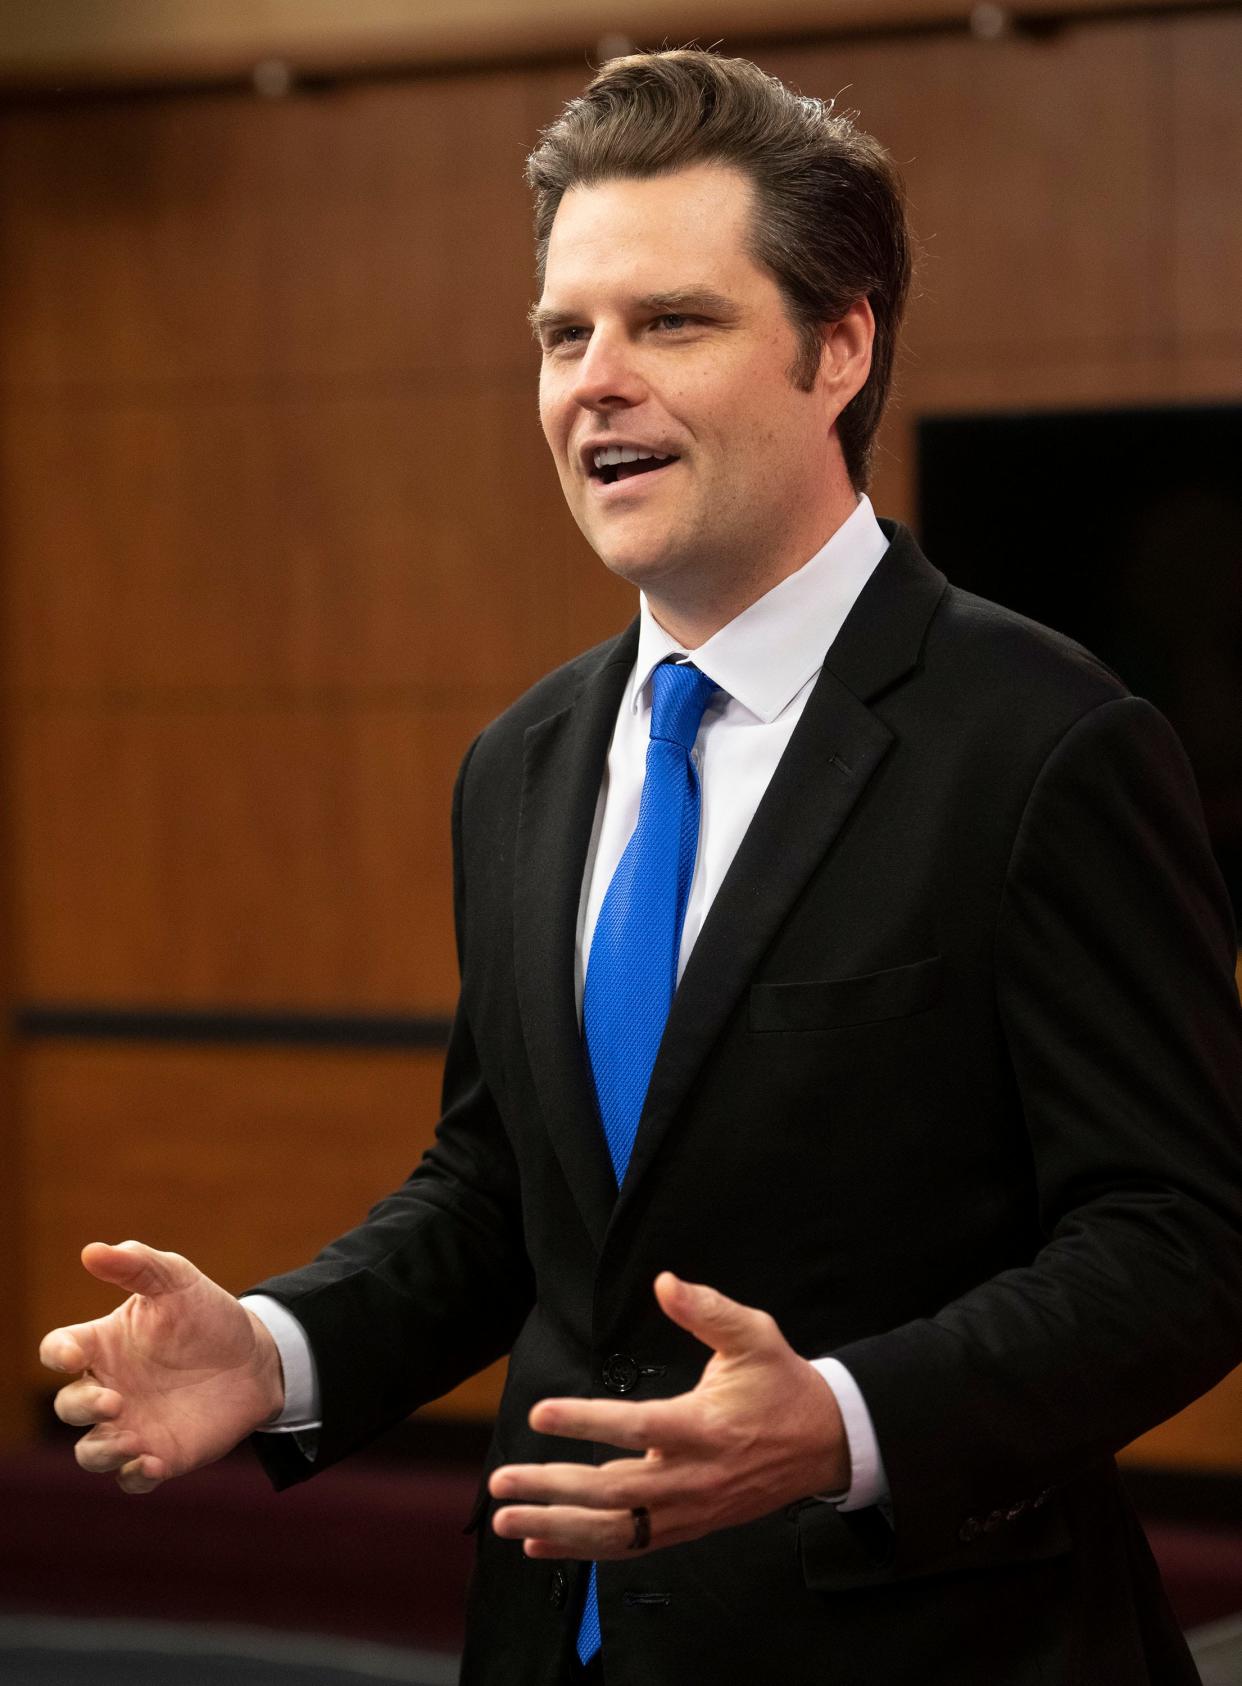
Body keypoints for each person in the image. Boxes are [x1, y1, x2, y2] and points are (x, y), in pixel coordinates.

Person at [40, 49, 1242, 1686]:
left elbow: (1179, 1240)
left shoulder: (1043, 743)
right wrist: (274, 1345)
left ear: (839, 346)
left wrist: (838, 1419)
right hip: (554, 1640)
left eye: (669, 322)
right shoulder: (520, 764)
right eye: (560, 333)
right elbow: (504, 1194)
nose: (592, 379)